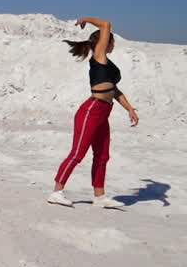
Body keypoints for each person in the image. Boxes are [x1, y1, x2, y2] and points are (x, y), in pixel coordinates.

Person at [48, 16, 140, 208]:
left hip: (104, 112)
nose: (113, 44)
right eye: (111, 41)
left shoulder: (108, 64)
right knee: (77, 154)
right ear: (105, 42)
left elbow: (113, 90)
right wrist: (85, 19)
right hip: (91, 110)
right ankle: (56, 192)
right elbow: (106, 24)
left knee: (102, 155)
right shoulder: (99, 55)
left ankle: (99, 197)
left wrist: (130, 109)